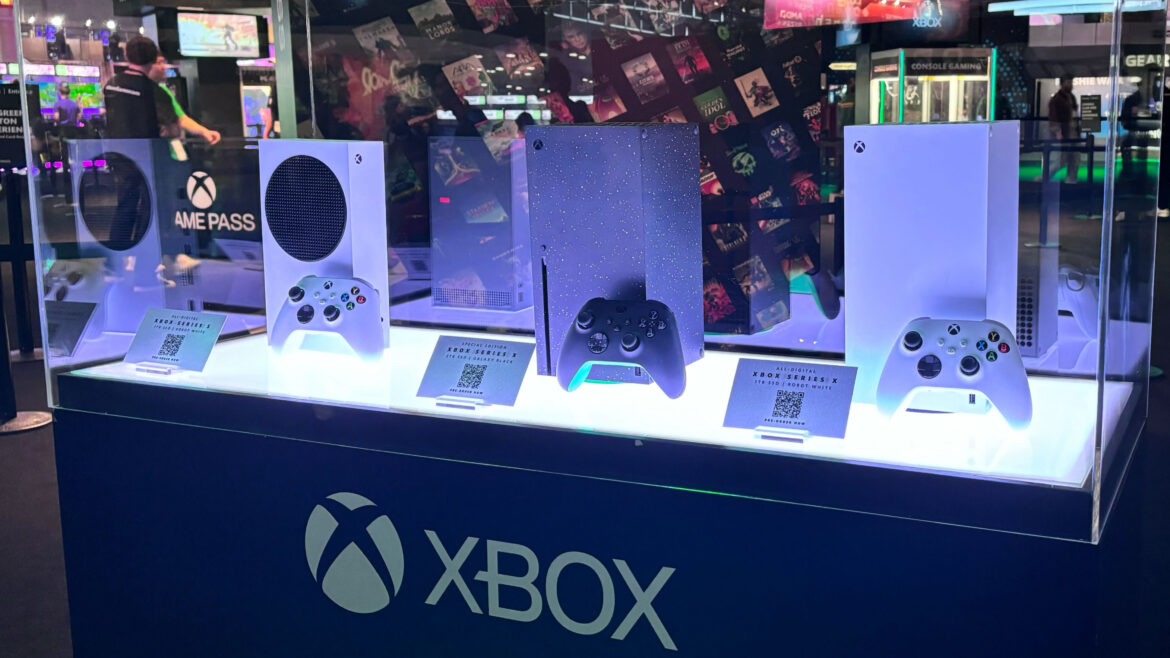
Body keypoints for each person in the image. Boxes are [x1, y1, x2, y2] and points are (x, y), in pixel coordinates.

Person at [103, 36, 220, 145]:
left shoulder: (111, 85)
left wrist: (203, 131)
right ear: (152, 59)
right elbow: (173, 126)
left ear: (126, 55)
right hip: (150, 151)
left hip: (117, 150)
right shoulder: (155, 91)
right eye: (159, 63)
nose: (163, 67)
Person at [1048, 76, 1079, 183]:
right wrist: (1057, 132)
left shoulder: (1071, 97)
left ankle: (1071, 181)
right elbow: (1053, 117)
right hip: (1064, 134)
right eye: (1068, 82)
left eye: (1071, 82)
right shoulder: (1057, 99)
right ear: (1062, 83)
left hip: (1072, 133)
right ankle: (1043, 178)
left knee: (1074, 159)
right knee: (1061, 160)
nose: (1071, 85)